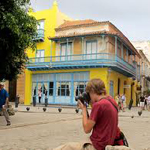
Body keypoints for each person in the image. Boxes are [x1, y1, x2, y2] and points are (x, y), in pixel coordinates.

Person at [52, 78, 118, 150]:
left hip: (97, 146)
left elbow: (87, 129)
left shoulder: (99, 105)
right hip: (107, 144)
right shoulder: (111, 101)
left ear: (92, 91)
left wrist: (83, 108)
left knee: (65, 147)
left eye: (89, 93)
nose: (89, 96)